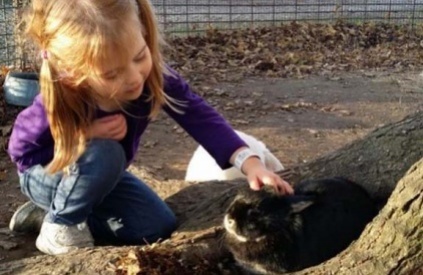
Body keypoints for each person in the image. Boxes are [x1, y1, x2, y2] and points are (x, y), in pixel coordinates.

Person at [7, 0, 294, 256]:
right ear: (73, 74)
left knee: (156, 227)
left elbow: (200, 117)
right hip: (44, 175)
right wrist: (85, 134)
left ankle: (50, 212)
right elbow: (20, 150)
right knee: (106, 154)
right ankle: (60, 222)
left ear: (144, 34)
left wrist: (251, 163)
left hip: (104, 178)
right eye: (111, 74)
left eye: (139, 56)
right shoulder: (61, 96)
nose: (134, 78)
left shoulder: (154, 76)